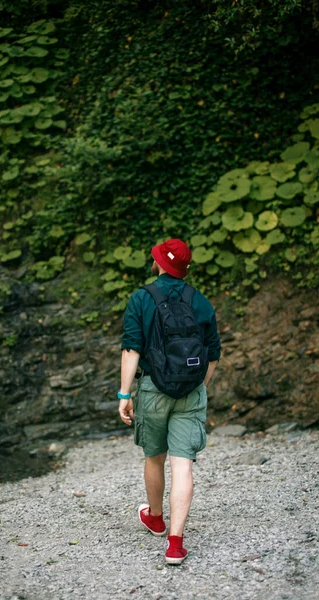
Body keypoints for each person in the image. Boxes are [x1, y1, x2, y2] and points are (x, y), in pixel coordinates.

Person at [118, 238, 221, 565]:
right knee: (182, 465)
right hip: (190, 391)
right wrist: (197, 388)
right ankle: (175, 544)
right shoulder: (200, 301)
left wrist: (124, 395)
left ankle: (156, 519)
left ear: (160, 263)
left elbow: (131, 349)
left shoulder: (141, 298)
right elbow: (213, 355)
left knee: (154, 457)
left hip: (152, 391)